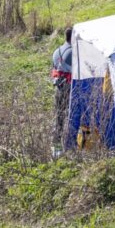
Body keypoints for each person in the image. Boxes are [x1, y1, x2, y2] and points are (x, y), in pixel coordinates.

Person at [51, 27, 73, 158]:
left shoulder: (56, 51)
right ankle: (70, 146)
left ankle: (56, 148)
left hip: (58, 88)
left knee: (59, 118)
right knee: (71, 116)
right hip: (69, 88)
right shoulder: (72, 53)